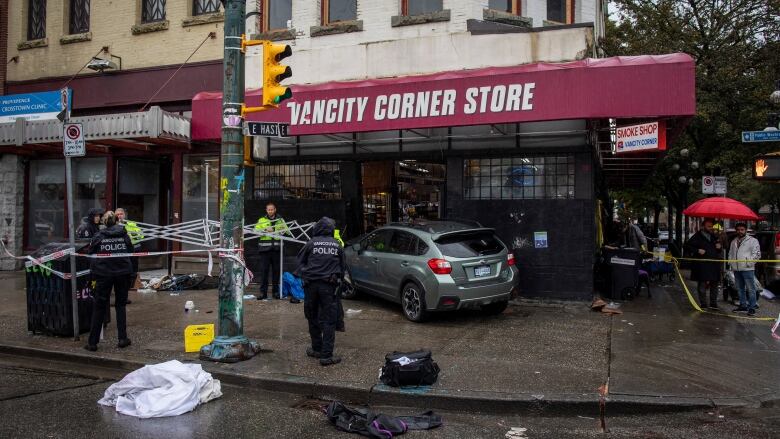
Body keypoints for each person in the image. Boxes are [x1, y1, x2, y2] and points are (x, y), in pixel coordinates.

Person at [296, 217, 345, 366]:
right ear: (331, 229)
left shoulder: (310, 243)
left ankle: (317, 349)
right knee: (329, 320)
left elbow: (299, 262)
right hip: (328, 287)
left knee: (312, 317)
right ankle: (326, 355)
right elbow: (342, 268)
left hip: (311, 286)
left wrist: (308, 274)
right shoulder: (337, 245)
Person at [84, 211, 134, 351]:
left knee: (99, 306)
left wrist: (92, 275)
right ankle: (122, 338)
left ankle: (92, 343)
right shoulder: (124, 235)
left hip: (103, 274)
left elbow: (91, 253)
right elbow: (131, 252)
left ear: (104, 223)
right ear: (116, 221)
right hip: (122, 273)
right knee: (120, 305)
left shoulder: (99, 236)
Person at [683, 218, 722, 309]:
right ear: (703, 226)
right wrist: (697, 250)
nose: (710, 228)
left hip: (713, 264)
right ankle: (703, 303)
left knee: (714, 284)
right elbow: (686, 246)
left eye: (711, 226)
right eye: (708, 226)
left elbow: (719, 249)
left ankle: (713, 303)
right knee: (702, 284)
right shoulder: (697, 236)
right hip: (702, 264)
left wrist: (719, 247)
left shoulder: (714, 236)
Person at [254, 202, 288, 300]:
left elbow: (286, 230)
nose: (270, 211)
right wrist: (265, 229)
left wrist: (282, 231)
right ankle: (263, 293)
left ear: (275, 209)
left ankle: (275, 292)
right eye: (268, 210)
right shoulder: (262, 220)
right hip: (265, 251)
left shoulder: (280, 220)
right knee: (264, 272)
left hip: (276, 250)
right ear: (266, 210)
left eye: (272, 209)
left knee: (276, 272)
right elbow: (255, 231)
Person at [728, 222, 761, 316]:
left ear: (746, 230)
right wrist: (731, 263)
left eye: (742, 229)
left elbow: (757, 255)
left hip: (748, 269)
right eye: (738, 230)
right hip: (737, 269)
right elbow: (730, 253)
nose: (740, 231)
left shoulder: (752, 240)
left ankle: (752, 307)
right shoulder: (734, 241)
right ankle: (743, 305)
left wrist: (748, 263)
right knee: (740, 288)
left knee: (751, 289)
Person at [116, 208, 143, 304]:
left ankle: (125, 294)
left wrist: (133, 235)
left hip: (133, 251)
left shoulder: (131, 224)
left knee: (132, 274)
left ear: (125, 214)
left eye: (121, 214)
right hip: (121, 253)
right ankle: (121, 296)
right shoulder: (114, 225)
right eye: (118, 214)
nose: (119, 216)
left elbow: (141, 235)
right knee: (122, 275)